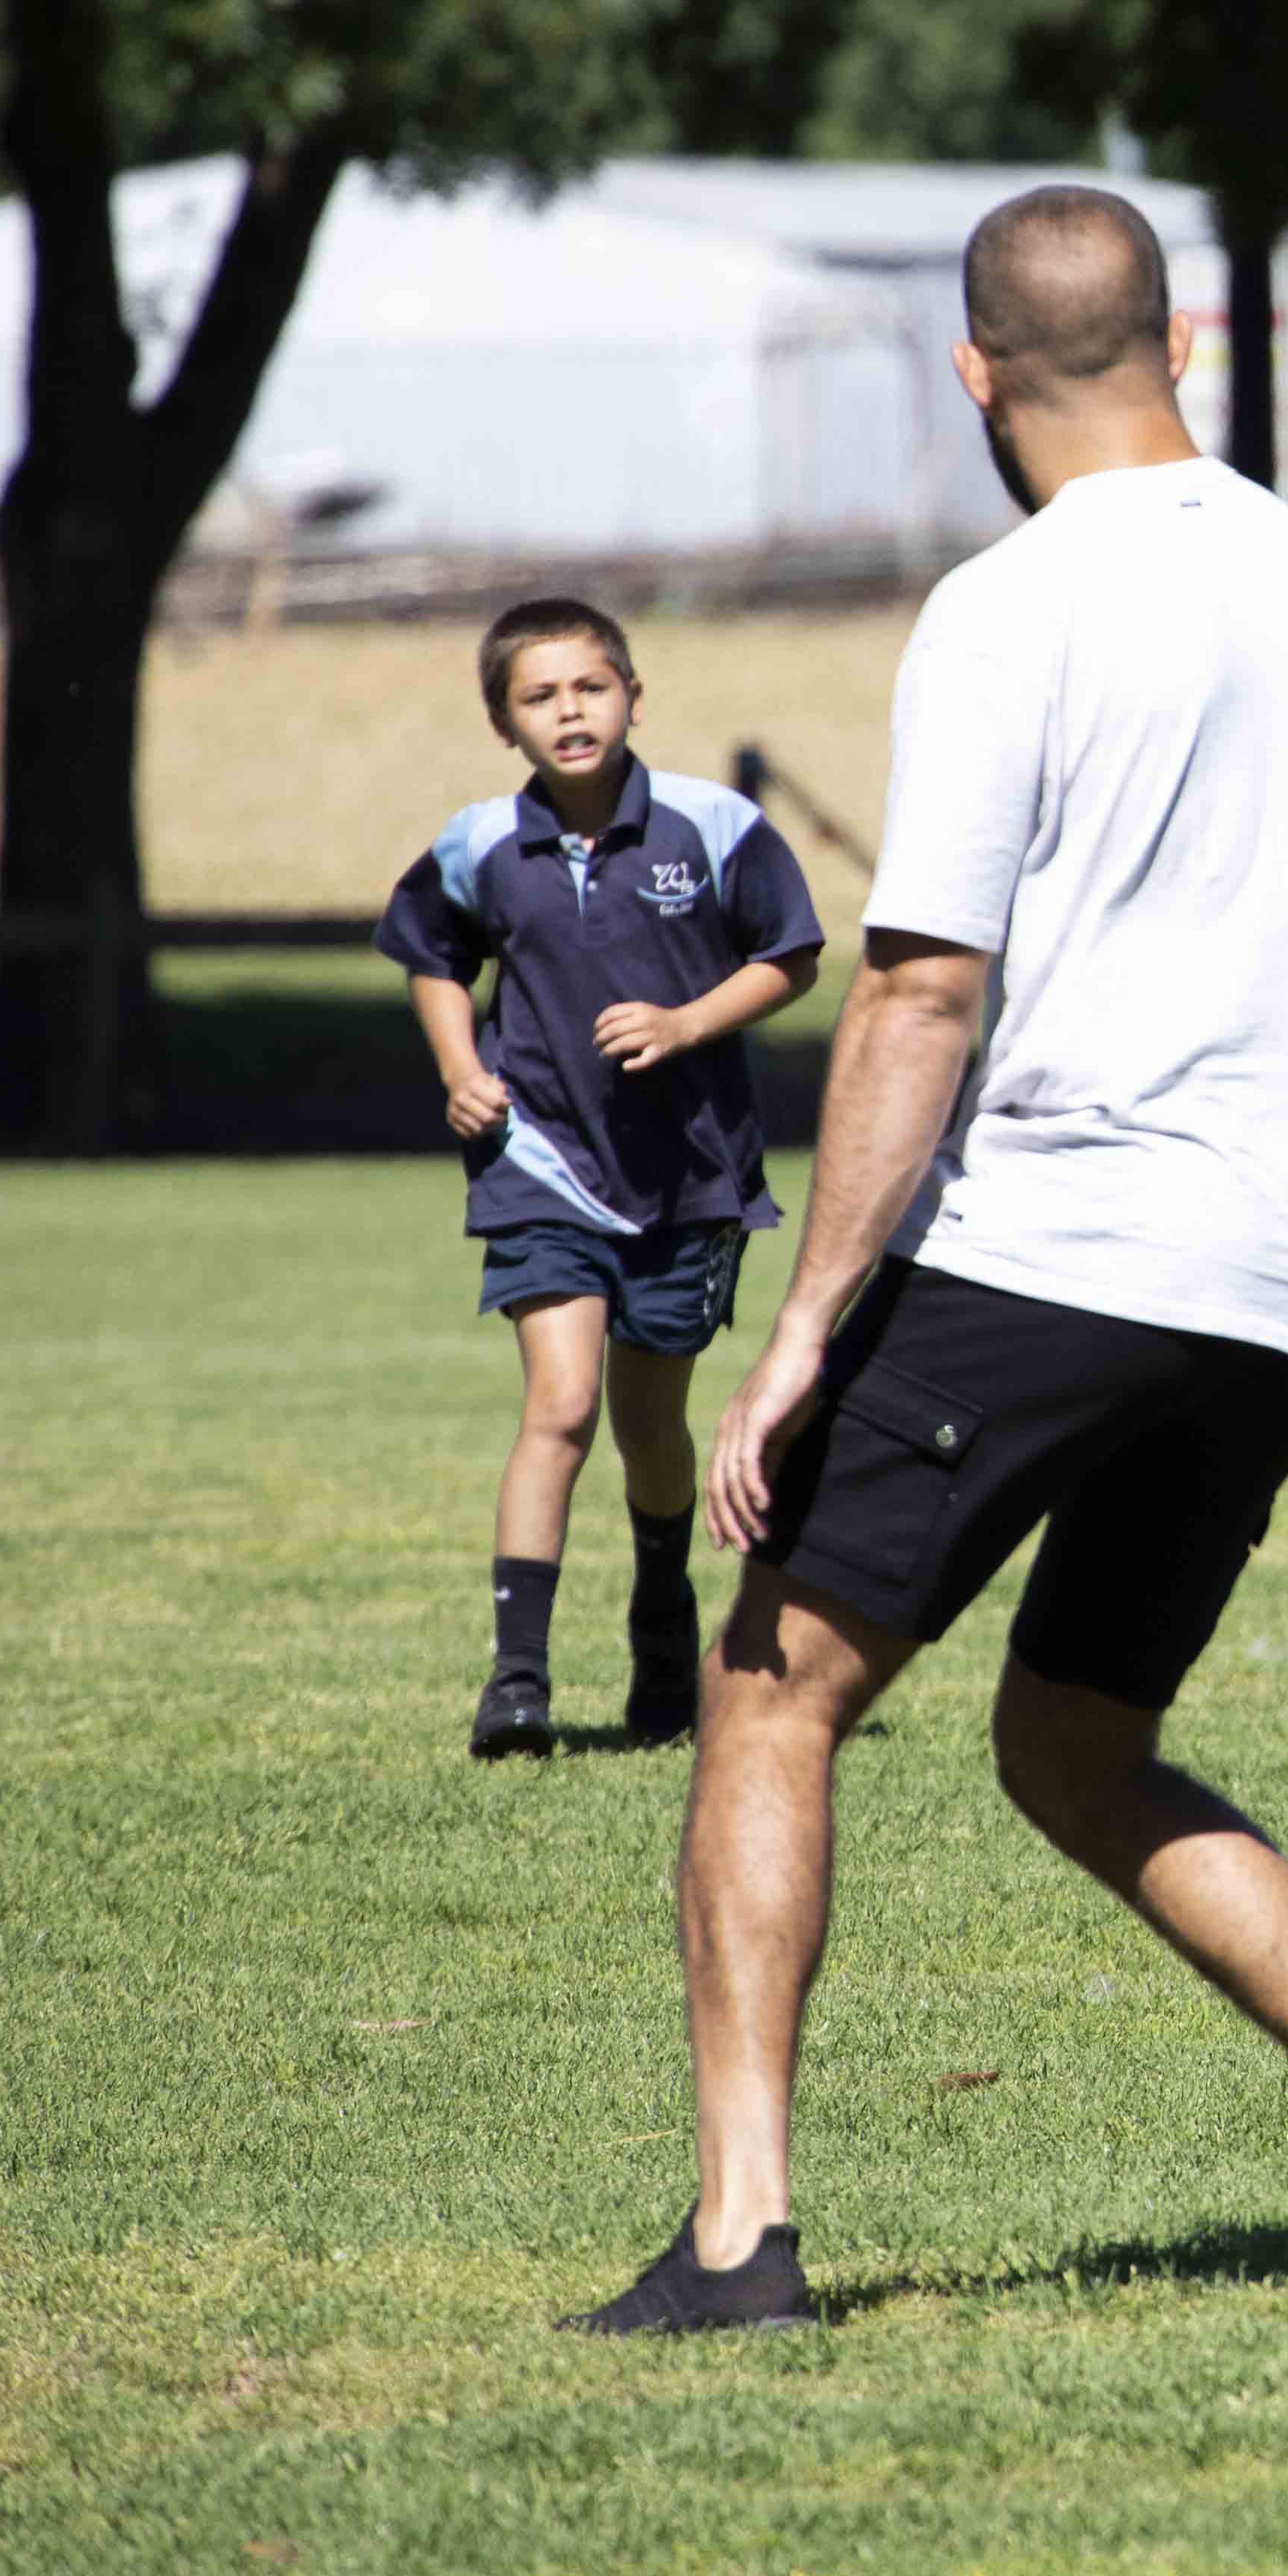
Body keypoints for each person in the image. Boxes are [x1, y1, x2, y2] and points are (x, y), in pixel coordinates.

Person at [561, 186, 1288, 2335]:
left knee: (771, 1691)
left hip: (1062, 1241)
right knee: (1075, 1744)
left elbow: (921, 991)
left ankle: (739, 2240)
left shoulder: (1007, 607)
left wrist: (802, 1332)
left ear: (973, 373)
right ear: (1180, 345)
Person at [376, 599, 822, 1762]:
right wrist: (460, 1067)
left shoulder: (710, 828)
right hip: (540, 1163)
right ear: (502, 722)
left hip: (687, 1177)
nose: (569, 711)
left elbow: (791, 955)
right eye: (539, 696)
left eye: (590, 687)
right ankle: (516, 1681)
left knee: (651, 1425)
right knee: (561, 1406)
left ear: (633, 695)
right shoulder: (480, 843)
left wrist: (687, 1024)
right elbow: (430, 953)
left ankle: (662, 1627)